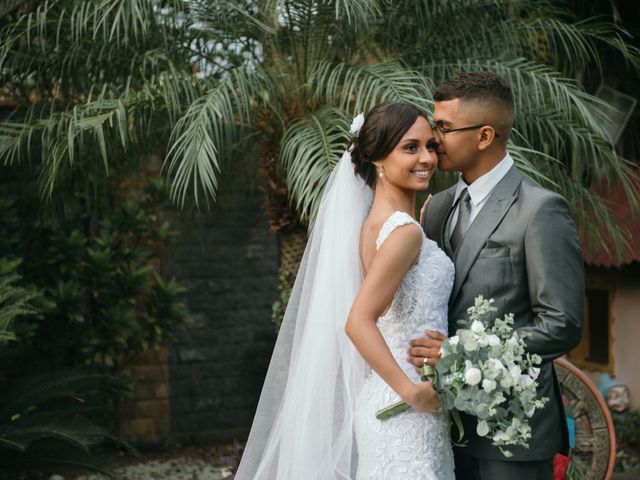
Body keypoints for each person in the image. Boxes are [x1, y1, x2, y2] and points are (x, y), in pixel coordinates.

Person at [234, 102, 455, 480]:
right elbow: (358, 321)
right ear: (377, 158)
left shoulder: (375, 226)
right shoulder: (405, 233)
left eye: (430, 146)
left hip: (390, 403)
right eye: (410, 147)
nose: (427, 158)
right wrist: (411, 391)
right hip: (405, 410)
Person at [408, 72, 585, 480]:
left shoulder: (540, 210)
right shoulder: (436, 208)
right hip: (437, 427)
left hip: (510, 431)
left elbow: (562, 324)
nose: (434, 139)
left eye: (445, 128)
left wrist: (458, 354)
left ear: (485, 136)